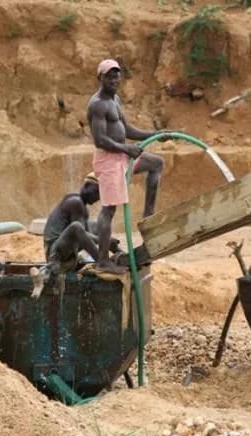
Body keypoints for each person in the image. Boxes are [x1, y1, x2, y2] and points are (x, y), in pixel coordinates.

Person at [87, 58, 168, 274]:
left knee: (156, 163)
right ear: (100, 77)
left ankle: (148, 217)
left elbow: (127, 130)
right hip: (110, 160)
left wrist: (154, 135)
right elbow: (100, 140)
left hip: (122, 157)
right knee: (109, 209)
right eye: (109, 76)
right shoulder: (97, 104)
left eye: (117, 75)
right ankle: (103, 260)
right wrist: (127, 149)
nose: (114, 79)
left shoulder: (115, 100)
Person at [30, 173, 123, 297]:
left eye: (101, 195)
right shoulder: (75, 202)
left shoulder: (83, 207)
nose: (98, 198)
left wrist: (107, 241)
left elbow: (87, 235)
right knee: (77, 227)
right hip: (56, 254)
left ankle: (121, 255)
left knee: (97, 225)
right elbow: (79, 232)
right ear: (86, 186)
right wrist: (103, 241)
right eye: (96, 192)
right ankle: (102, 262)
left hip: (69, 252)